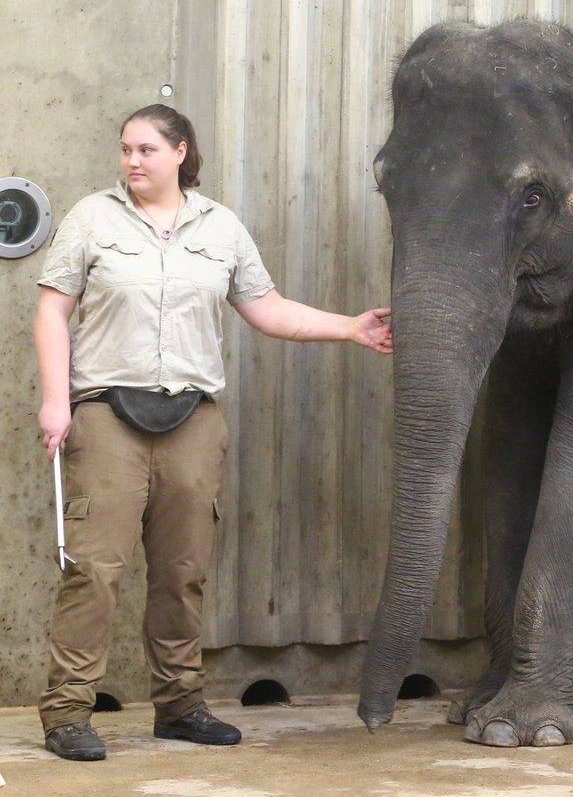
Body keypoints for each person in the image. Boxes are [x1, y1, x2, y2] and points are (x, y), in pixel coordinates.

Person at [33, 104, 393, 761]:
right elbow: (53, 310)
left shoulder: (220, 227)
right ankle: (65, 715)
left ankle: (179, 706)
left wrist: (351, 326)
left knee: (183, 570)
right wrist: (56, 400)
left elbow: (268, 308)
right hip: (105, 413)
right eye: (125, 150)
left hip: (193, 418)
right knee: (94, 569)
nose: (132, 161)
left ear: (180, 152)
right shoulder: (92, 218)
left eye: (145, 149)